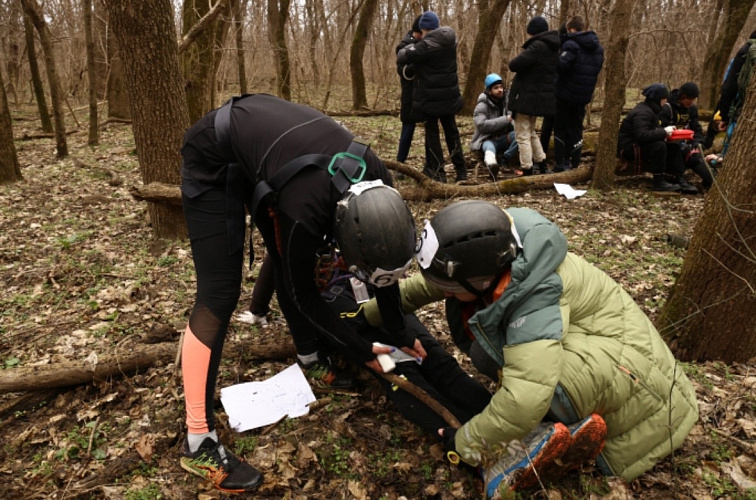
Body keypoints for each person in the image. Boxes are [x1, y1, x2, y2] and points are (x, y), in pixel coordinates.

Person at [179, 94, 425, 493]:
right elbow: (304, 292)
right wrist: (364, 354)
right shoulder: (305, 209)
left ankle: (310, 358)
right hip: (214, 152)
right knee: (218, 296)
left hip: (275, 153)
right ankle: (197, 441)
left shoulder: (381, 186)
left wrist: (400, 332)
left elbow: (385, 270)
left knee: (285, 253)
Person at [382, 200, 698, 496]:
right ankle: (550, 429)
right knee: (501, 354)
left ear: (479, 279)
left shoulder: (535, 294)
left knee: (534, 381)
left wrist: (465, 442)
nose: (445, 294)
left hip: (650, 399)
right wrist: (370, 311)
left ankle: (539, 438)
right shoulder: (498, 249)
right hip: (619, 361)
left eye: (450, 289)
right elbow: (434, 283)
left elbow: (524, 399)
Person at [316, 246, 492, 436]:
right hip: (333, 303)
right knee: (404, 375)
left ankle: (493, 418)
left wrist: (401, 333)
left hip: (366, 279)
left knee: (434, 358)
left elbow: (391, 284)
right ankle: (467, 438)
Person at [397, 11, 467, 183]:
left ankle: (438, 172)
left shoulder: (425, 46)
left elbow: (402, 55)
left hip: (430, 100)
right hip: (449, 97)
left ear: (423, 29)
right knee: (452, 133)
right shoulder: (450, 39)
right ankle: (461, 171)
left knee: (433, 135)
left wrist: (412, 44)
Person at [617, 83, 696, 194]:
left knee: (673, 146)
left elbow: (651, 132)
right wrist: (664, 132)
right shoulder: (643, 112)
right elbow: (642, 135)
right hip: (628, 148)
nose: (665, 102)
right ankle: (658, 181)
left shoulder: (651, 110)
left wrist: (667, 134)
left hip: (637, 145)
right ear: (657, 99)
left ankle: (679, 178)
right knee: (659, 146)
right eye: (663, 99)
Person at [508, 16, 560, 175]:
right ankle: (541, 162)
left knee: (522, 136)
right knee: (531, 133)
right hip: (539, 99)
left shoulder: (537, 46)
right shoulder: (553, 47)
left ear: (534, 33)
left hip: (526, 98)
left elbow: (514, 65)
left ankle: (527, 169)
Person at [553, 16, 604, 172]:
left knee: (560, 128)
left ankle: (560, 163)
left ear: (572, 30)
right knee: (576, 129)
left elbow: (561, 66)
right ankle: (575, 163)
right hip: (583, 96)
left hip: (565, 94)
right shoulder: (598, 48)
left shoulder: (571, 44)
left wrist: (556, 55)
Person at [703, 29, 756, 150]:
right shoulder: (747, 54)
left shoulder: (744, 53)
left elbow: (728, 88)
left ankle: (708, 143)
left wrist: (724, 115)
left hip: (738, 112)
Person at [659, 82, 713, 191]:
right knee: (679, 150)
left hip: (686, 143)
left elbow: (696, 129)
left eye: (693, 99)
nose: (691, 102)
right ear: (683, 96)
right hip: (668, 144)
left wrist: (696, 142)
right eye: (690, 99)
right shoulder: (667, 107)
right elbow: (660, 129)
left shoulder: (692, 109)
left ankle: (711, 181)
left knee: (695, 156)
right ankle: (679, 179)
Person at [470, 73, 519, 180]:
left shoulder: (507, 101)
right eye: (496, 88)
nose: (500, 90)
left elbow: (514, 118)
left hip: (505, 137)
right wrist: (505, 119)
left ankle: (505, 159)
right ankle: (492, 166)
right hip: (487, 138)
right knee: (489, 148)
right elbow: (482, 125)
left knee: (520, 136)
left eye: (501, 87)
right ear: (489, 90)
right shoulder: (481, 106)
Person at [395, 16, 425, 166]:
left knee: (430, 130)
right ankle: (400, 163)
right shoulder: (403, 47)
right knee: (408, 128)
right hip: (410, 94)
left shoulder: (428, 43)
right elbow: (403, 71)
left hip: (426, 94)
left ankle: (431, 165)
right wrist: (419, 65)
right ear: (417, 32)